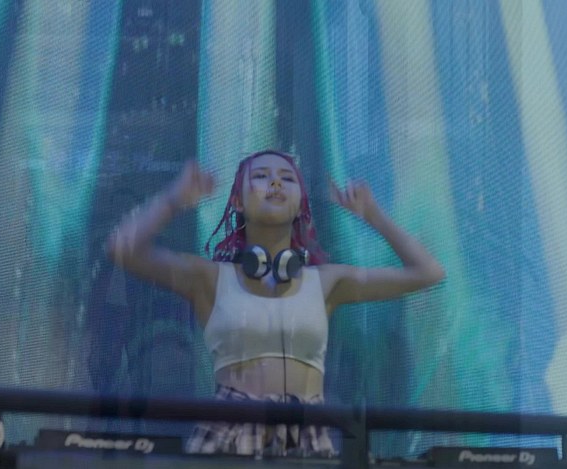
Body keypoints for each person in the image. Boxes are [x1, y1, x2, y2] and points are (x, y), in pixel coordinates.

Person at [107, 149, 445, 458]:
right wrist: (172, 200)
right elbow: (122, 249)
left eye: (287, 178)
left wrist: (374, 215)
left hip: (307, 433)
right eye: (261, 176)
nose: (275, 183)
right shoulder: (209, 278)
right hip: (229, 430)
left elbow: (427, 272)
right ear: (238, 201)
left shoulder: (326, 281)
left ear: (300, 204)